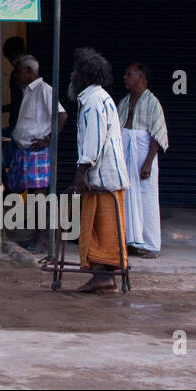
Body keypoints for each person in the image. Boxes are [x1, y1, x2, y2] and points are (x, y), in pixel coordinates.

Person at [69, 47, 131, 293]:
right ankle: (104, 277)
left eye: (75, 71)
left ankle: (103, 276)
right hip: (107, 176)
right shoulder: (98, 98)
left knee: (99, 229)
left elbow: (93, 140)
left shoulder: (93, 101)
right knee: (103, 228)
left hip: (102, 177)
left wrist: (80, 172)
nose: (71, 74)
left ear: (85, 75)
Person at [8, 54, 67, 254]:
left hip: (37, 151)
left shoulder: (44, 90)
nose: (16, 76)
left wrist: (48, 139)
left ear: (30, 72)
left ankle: (43, 239)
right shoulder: (29, 91)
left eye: (19, 72)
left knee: (39, 196)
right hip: (26, 150)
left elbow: (62, 115)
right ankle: (39, 237)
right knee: (34, 196)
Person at [118, 62, 168, 259]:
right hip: (126, 157)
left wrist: (148, 162)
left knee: (146, 199)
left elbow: (157, 134)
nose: (125, 77)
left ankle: (151, 245)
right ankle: (131, 241)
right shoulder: (124, 102)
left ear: (141, 77)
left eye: (129, 74)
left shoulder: (153, 103)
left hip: (143, 157)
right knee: (126, 197)